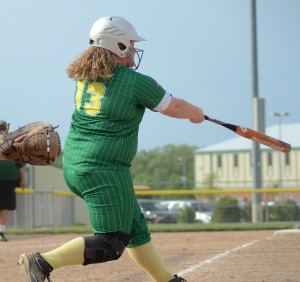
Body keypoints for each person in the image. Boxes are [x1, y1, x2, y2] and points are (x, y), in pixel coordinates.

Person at [18, 16, 204, 282]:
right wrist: (196, 113)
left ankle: (167, 280)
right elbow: (174, 107)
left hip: (77, 164)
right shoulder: (133, 81)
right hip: (103, 170)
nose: (133, 51)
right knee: (110, 243)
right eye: (129, 45)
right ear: (116, 45)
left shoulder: (84, 78)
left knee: (135, 229)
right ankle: (43, 261)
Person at [0, 120, 27, 241]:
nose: (1, 131)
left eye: (2, 129)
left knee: (5, 205)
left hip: (10, 179)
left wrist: (23, 179)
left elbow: (20, 164)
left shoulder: (12, 144)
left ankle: (1, 232)